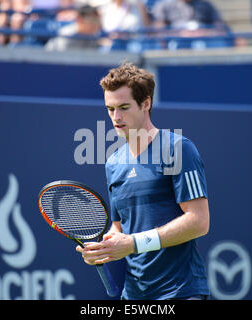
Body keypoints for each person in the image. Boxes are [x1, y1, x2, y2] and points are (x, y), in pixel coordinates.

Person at [76, 63, 211, 300]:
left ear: (146, 103)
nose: (116, 117)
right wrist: (103, 248)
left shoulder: (179, 149)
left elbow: (199, 222)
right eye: (110, 109)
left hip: (180, 292)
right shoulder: (113, 164)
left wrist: (132, 244)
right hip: (134, 295)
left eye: (124, 107)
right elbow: (119, 227)